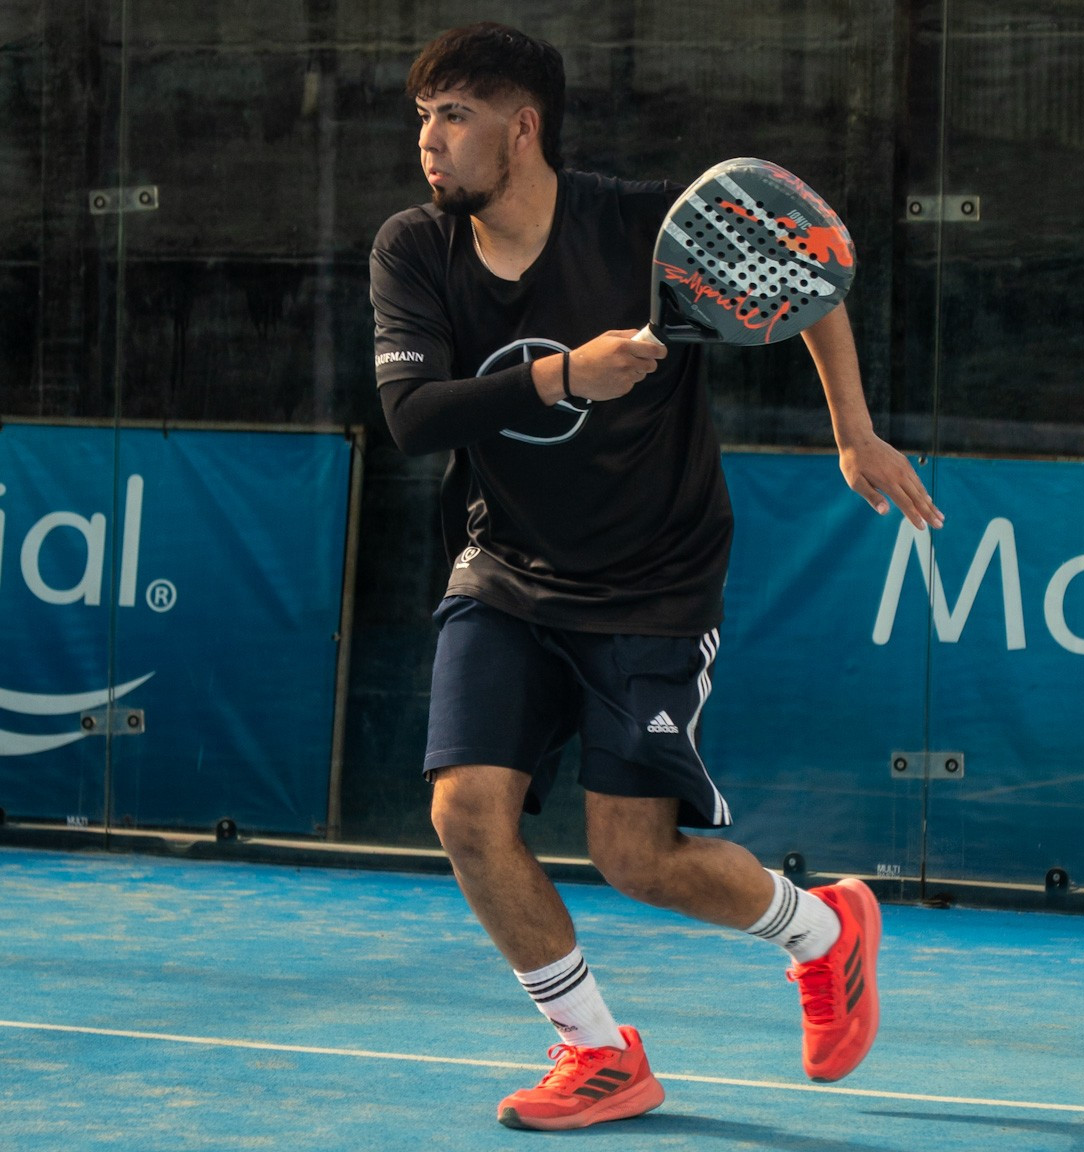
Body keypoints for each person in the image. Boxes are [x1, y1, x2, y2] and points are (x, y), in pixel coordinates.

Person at [370, 22, 944, 1132]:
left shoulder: (641, 225)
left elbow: (808, 273)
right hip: (504, 571)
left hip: (655, 581)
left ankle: (825, 932)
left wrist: (853, 428)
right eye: (423, 118)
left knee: (636, 858)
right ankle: (598, 1053)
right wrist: (565, 375)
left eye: (454, 116)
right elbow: (413, 416)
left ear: (521, 128)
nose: (429, 141)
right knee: (465, 813)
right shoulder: (414, 248)